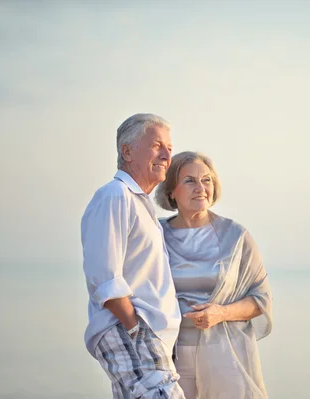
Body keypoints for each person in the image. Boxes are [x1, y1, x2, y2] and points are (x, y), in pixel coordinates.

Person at [81, 113, 185, 398]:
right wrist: (136, 328)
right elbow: (105, 279)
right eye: (156, 146)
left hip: (147, 336)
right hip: (133, 331)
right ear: (127, 151)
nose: (166, 155)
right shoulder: (116, 195)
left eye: (169, 148)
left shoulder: (142, 205)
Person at [155, 151, 273, 399]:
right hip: (167, 359)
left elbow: (261, 300)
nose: (200, 188)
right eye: (189, 180)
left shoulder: (235, 236)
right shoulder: (154, 235)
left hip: (225, 356)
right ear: (171, 191)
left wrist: (221, 313)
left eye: (206, 180)